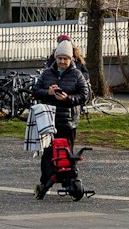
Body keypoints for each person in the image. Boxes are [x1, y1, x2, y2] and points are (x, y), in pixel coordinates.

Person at [33, 39, 90, 195]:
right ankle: (45, 181)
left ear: (71, 59)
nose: (62, 61)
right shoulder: (46, 74)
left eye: (65, 58)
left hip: (68, 121)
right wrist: (48, 93)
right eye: (60, 58)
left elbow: (84, 95)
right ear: (56, 58)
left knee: (66, 153)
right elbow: (36, 91)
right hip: (49, 121)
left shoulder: (77, 75)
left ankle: (67, 181)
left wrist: (67, 99)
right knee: (48, 154)